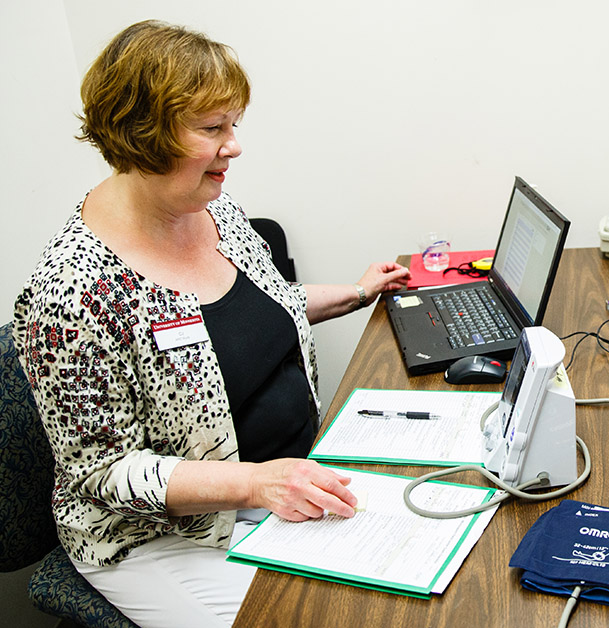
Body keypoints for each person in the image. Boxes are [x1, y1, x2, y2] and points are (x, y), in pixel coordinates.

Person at [12, 20, 411, 628]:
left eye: (233, 124)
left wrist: (359, 292)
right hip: (163, 538)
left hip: (281, 482)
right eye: (211, 128)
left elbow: (252, 310)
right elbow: (101, 470)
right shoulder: (71, 291)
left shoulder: (211, 204)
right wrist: (253, 485)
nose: (234, 145)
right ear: (141, 134)